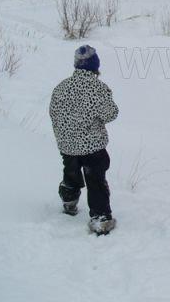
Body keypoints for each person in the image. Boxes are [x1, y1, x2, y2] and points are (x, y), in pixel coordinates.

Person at [49, 45, 119, 234]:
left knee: (71, 172)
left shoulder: (61, 87)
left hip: (67, 144)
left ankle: (69, 201)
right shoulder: (98, 88)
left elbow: (53, 113)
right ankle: (100, 218)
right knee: (95, 179)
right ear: (95, 66)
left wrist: (65, 134)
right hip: (92, 146)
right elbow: (111, 114)